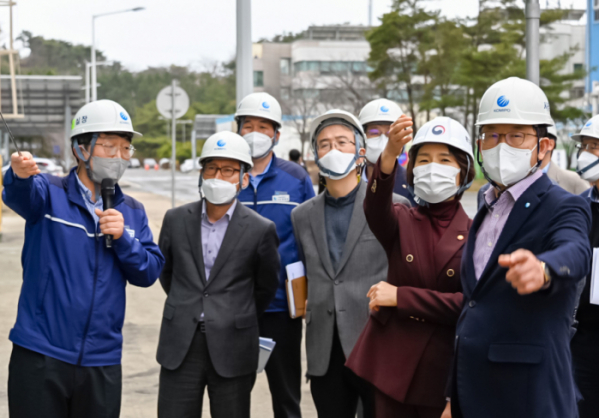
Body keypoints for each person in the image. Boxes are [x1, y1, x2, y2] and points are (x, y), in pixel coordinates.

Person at [2, 99, 165, 418]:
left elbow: (149, 271)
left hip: (102, 361)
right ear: (81, 149)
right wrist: (18, 175)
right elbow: (21, 194)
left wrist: (124, 240)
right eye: (108, 146)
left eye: (125, 148)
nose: (119, 156)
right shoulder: (48, 193)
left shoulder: (131, 211)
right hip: (40, 354)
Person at [445, 77, 591, 418]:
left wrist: (543, 268)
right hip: (474, 391)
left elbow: (575, 250)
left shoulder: (564, 205)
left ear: (543, 147)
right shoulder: (485, 205)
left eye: (516, 135)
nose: (501, 145)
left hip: (529, 394)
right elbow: (473, 304)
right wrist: (453, 395)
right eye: (492, 135)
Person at [347, 116, 475, 418]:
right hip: (394, 365)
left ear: (463, 171)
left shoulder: (476, 231)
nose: (433, 168)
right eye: (424, 160)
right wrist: (390, 152)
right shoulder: (402, 218)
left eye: (445, 160)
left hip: (442, 369)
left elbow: (468, 305)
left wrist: (400, 297)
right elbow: (375, 206)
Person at [291, 109, 410, 418]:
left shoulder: (394, 208)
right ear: (315, 155)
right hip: (324, 350)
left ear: (360, 154)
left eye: (342, 142)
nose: (333, 150)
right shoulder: (301, 216)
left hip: (376, 342)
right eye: (325, 144)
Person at [156, 131, 280, 418]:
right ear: (201, 174)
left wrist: (233, 312)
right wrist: (189, 302)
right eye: (211, 168)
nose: (218, 176)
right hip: (181, 344)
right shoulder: (175, 219)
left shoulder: (261, 229)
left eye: (227, 170)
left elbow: (265, 286)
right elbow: (167, 273)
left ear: (244, 179)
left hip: (233, 345)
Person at [236, 92, 315, 418]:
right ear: (237, 129)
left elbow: (311, 239)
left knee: (286, 397)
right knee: (233, 394)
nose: (255, 133)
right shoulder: (225, 175)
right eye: (248, 125)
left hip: (283, 307)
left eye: (264, 127)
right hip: (234, 307)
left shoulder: (296, 179)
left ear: (277, 135)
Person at [476, 123, 589, 209]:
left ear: (547, 145)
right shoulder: (486, 191)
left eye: (516, 136)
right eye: (492, 136)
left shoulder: (574, 182)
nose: (503, 147)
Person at [570, 114, 599, 418]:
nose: (586, 153)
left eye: (595, 146)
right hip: (585, 335)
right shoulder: (580, 206)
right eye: (585, 146)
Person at [359, 98, 416, 206]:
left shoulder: (413, 185)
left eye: (390, 132)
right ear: (361, 138)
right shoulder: (348, 183)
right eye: (374, 132)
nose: (383, 140)